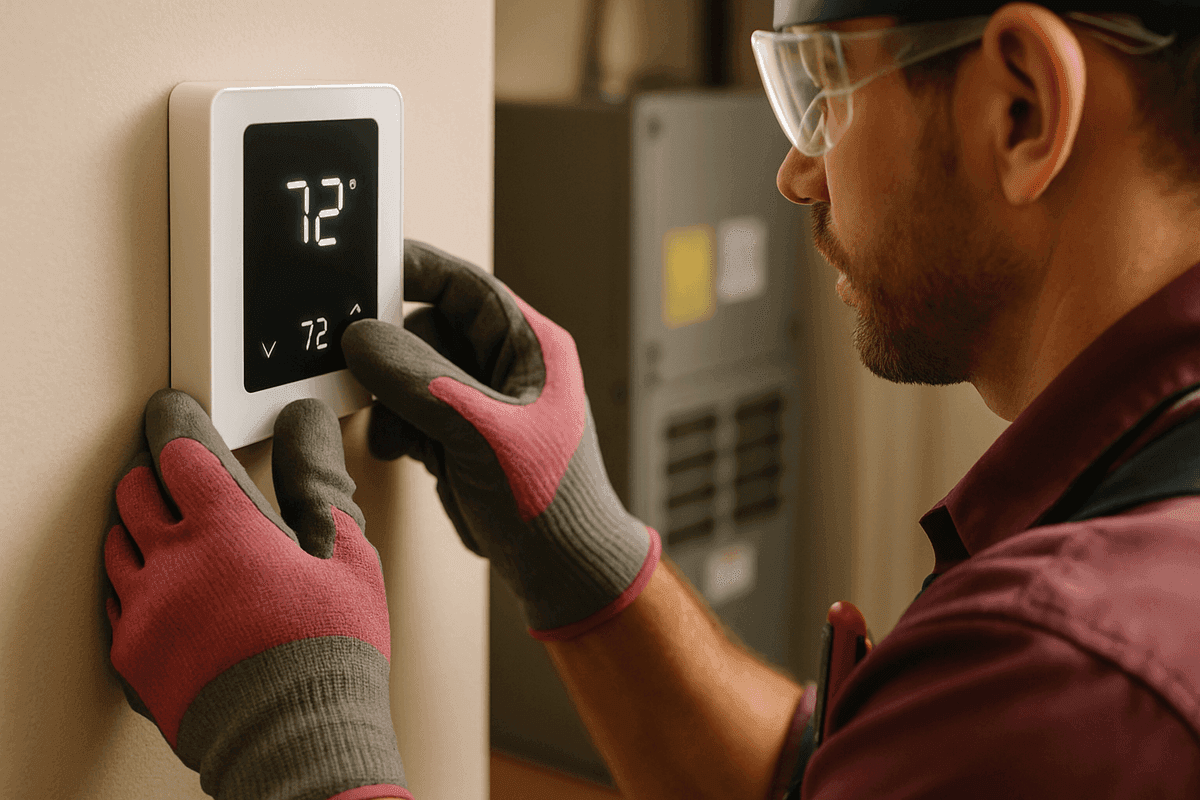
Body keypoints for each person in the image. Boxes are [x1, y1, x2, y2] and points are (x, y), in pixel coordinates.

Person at [102, 0, 1200, 798]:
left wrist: (306, 744)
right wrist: (583, 553)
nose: (798, 174)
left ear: (1021, 109)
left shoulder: (1077, 679)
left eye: (824, 85)